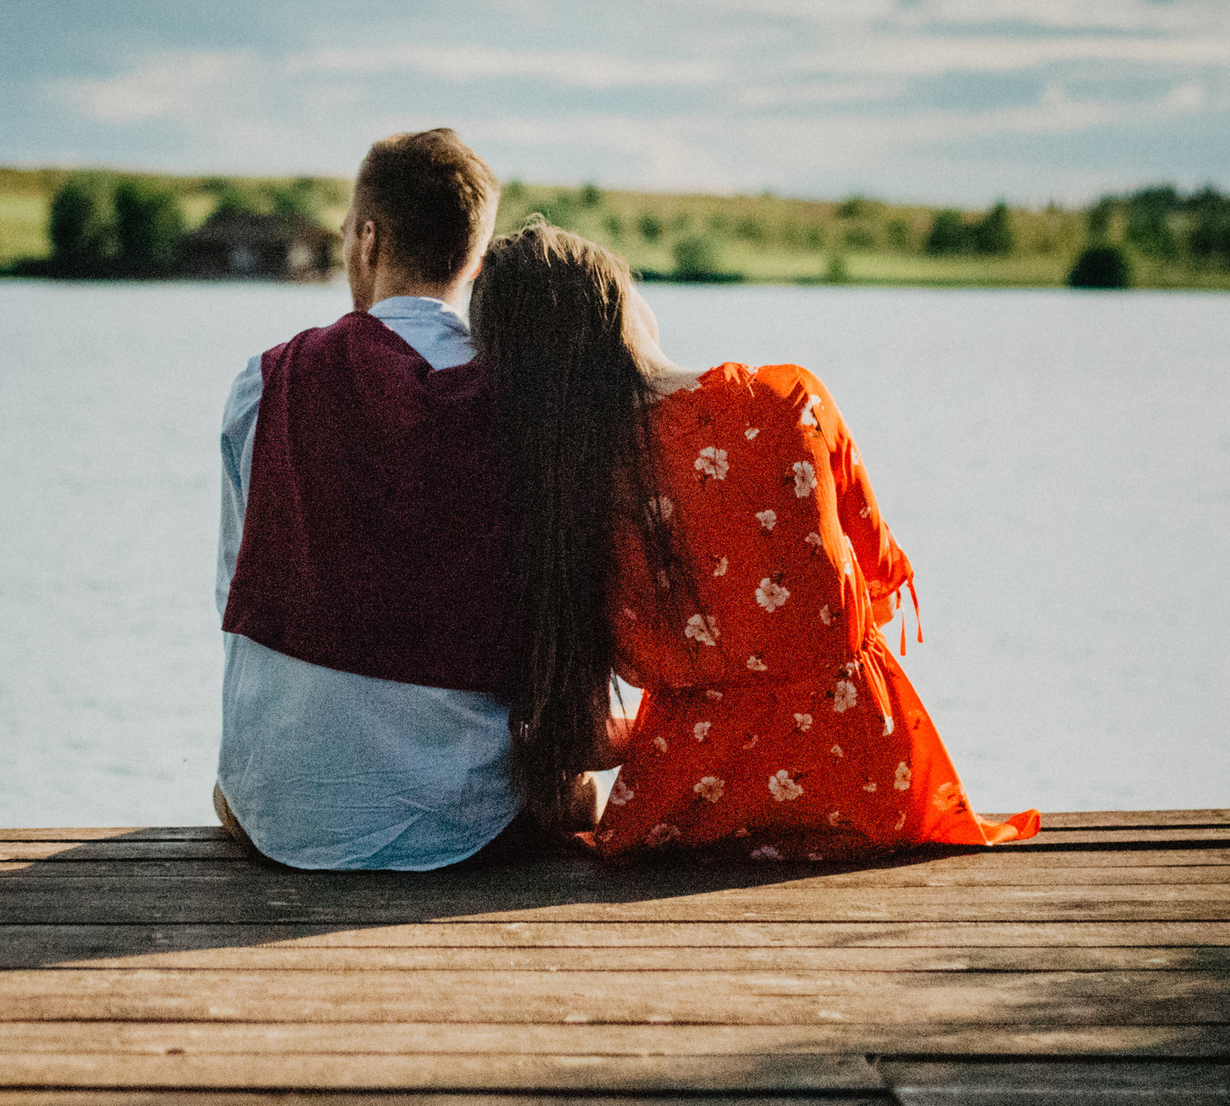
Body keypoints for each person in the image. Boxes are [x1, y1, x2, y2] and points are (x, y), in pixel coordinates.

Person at [468, 220, 1037, 860]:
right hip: (864, 778)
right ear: (624, 307)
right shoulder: (791, 399)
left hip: (686, 802)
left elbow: (587, 740)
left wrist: (692, 715)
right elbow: (877, 588)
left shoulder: (572, 487)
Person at [213, 128, 535, 869]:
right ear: (474, 261)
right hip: (470, 823)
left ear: (367, 238)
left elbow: (234, 594)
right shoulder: (520, 402)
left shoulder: (267, 381)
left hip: (281, 816)